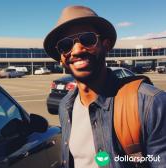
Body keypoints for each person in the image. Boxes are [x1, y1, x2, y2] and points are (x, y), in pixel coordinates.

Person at [43, 5, 166, 168]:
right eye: (65, 45)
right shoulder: (65, 106)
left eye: (87, 39)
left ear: (106, 45)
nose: (77, 50)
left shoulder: (150, 104)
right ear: (61, 59)